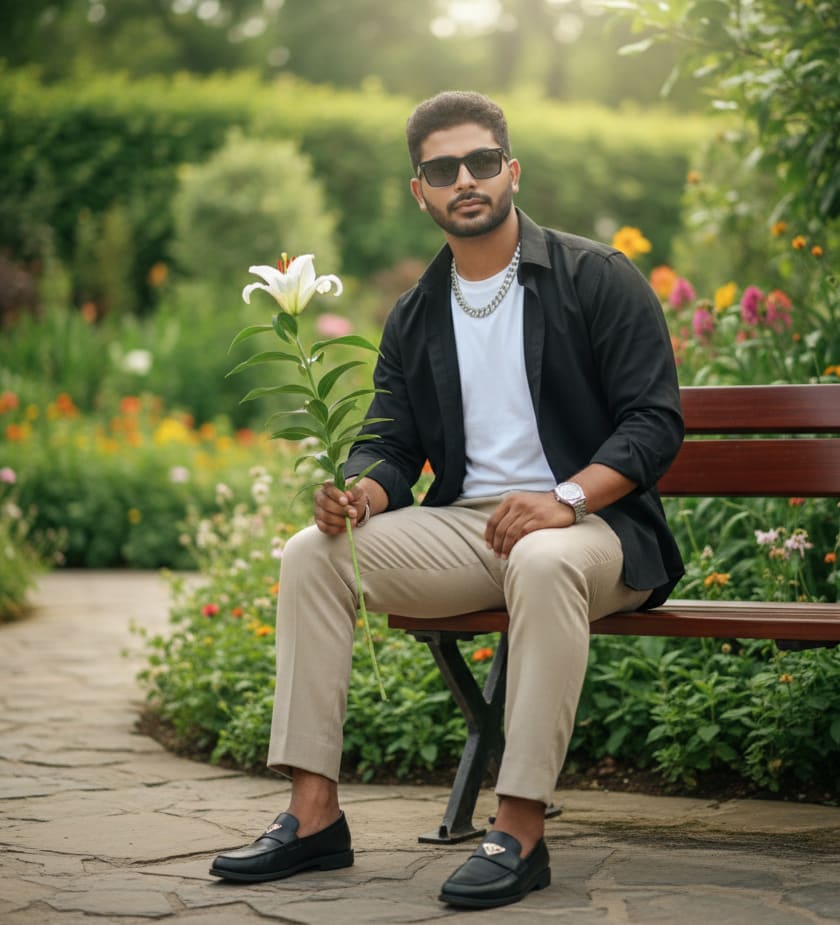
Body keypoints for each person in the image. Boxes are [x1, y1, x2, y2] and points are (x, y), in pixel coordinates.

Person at [209, 90, 685, 909]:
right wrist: (360, 493)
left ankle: (519, 827)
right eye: (442, 167)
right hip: (471, 530)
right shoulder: (416, 314)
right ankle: (314, 814)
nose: (465, 179)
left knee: (539, 555)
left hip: (594, 528)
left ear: (511, 171)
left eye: (481, 162)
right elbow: (392, 444)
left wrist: (564, 497)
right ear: (419, 189)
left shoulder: (595, 277)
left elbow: (654, 422)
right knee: (312, 554)